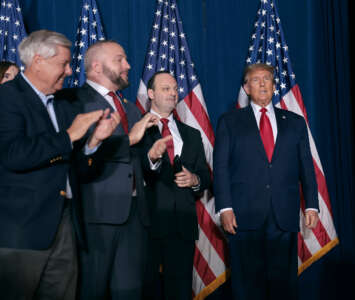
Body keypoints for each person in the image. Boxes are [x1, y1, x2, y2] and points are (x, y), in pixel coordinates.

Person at [0, 30, 119, 300]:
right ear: (38, 61)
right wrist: (68, 136)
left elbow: (74, 166)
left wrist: (93, 143)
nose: (69, 71)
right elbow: (13, 154)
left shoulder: (64, 105)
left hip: (65, 225)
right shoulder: (7, 97)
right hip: (21, 231)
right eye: (63, 64)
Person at [213, 63, 320, 300]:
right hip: (243, 216)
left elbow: (306, 165)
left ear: (274, 85)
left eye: (267, 79)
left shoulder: (295, 121)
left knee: (284, 285)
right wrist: (225, 208)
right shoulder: (229, 121)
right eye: (255, 79)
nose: (262, 83)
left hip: (284, 216)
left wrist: (311, 204)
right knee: (247, 285)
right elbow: (220, 168)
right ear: (246, 88)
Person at [64, 40, 158, 299]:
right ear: (96, 66)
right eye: (120, 59)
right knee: (90, 291)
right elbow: (77, 157)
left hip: (134, 217)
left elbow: (135, 157)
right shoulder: (72, 102)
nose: (128, 65)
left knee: (129, 292)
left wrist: (151, 157)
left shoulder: (128, 107)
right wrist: (130, 140)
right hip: (95, 216)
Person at [140, 71, 211, 300]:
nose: (173, 93)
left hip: (182, 225)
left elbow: (205, 177)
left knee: (179, 292)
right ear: (150, 93)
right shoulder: (136, 128)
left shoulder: (191, 134)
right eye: (165, 89)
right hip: (146, 226)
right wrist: (152, 158)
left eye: (175, 89)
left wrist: (195, 180)